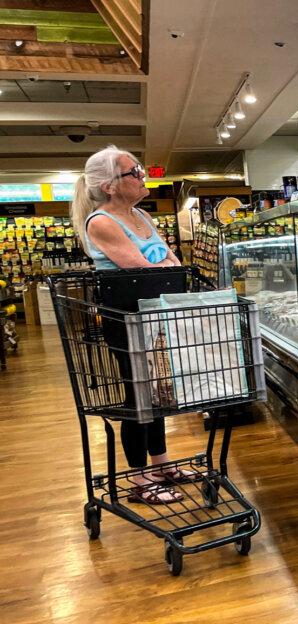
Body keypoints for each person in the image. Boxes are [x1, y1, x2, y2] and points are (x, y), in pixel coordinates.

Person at [71, 145, 185, 504]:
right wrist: (164, 268)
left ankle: (161, 462)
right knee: (138, 397)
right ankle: (139, 478)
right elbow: (143, 272)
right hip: (127, 319)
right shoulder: (102, 222)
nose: (142, 176)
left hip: (155, 317)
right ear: (109, 185)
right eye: (133, 172)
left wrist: (165, 268)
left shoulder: (142, 217)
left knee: (159, 393)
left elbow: (173, 262)